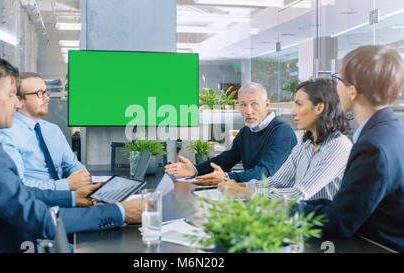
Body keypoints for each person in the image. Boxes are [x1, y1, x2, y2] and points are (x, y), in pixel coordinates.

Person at [0, 55, 142, 252]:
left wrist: (71, 198)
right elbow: (40, 219)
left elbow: (16, 192)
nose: (17, 105)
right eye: (11, 95)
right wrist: (120, 212)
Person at [299, 45, 404, 252]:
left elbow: (338, 223)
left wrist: (282, 210)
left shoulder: (373, 147)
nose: (335, 85)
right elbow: (350, 205)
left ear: (353, 91)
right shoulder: (392, 131)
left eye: (338, 78)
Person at [220, 78, 353, 201]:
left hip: (323, 224)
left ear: (319, 107)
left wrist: (244, 192)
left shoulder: (338, 145)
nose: (293, 112)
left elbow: (298, 194)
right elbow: (276, 182)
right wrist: (239, 186)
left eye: (299, 104)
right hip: (301, 218)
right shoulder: (305, 144)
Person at [165, 82, 297, 184]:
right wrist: (194, 170)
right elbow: (225, 160)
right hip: (253, 194)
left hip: (279, 201)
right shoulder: (247, 131)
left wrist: (226, 177)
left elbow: (265, 173)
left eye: (254, 104)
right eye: (243, 105)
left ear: (267, 105)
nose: (248, 111)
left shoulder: (282, 132)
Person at [0, 72, 89, 191]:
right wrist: (66, 185)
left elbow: (72, 164)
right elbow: (18, 184)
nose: (47, 98)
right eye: (39, 93)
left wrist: (85, 181)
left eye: (46, 92)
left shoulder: (53, 129)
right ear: (19, 100)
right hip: (37, 202)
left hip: (67, 195)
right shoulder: (7, 133)